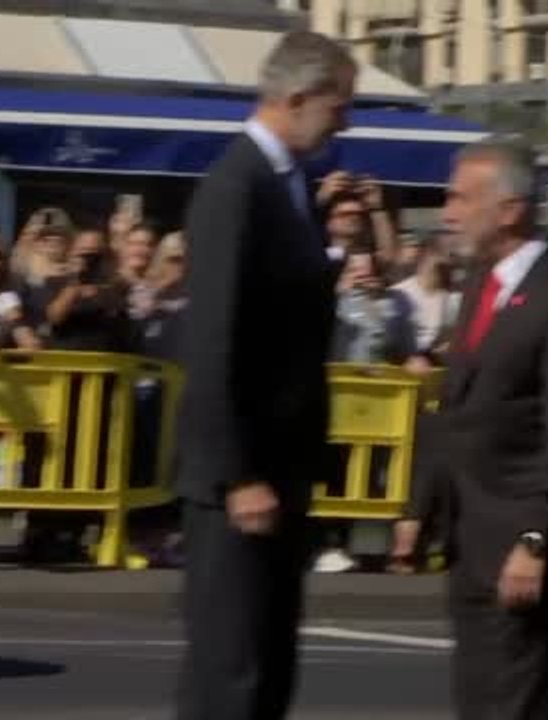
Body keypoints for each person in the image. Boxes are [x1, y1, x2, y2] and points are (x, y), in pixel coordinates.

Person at [395, 141, 548, 720]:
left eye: (461, 199)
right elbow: (456, 405)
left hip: (525, 544)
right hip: (470, 536)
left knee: (514, 703)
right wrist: (419, 508)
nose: (448, 213)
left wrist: (537, 540)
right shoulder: (480, 286)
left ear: (510, 209)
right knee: (477, 700)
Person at [175, 30, 355, 720]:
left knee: (268, 667)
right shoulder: (238, 186)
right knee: (233, 672)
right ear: (300, 96)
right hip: (243, 479)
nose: (345, 122)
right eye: (340, 105)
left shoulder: (288, 186)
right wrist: (237, 473)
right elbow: (215, 339)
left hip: (280, 469)